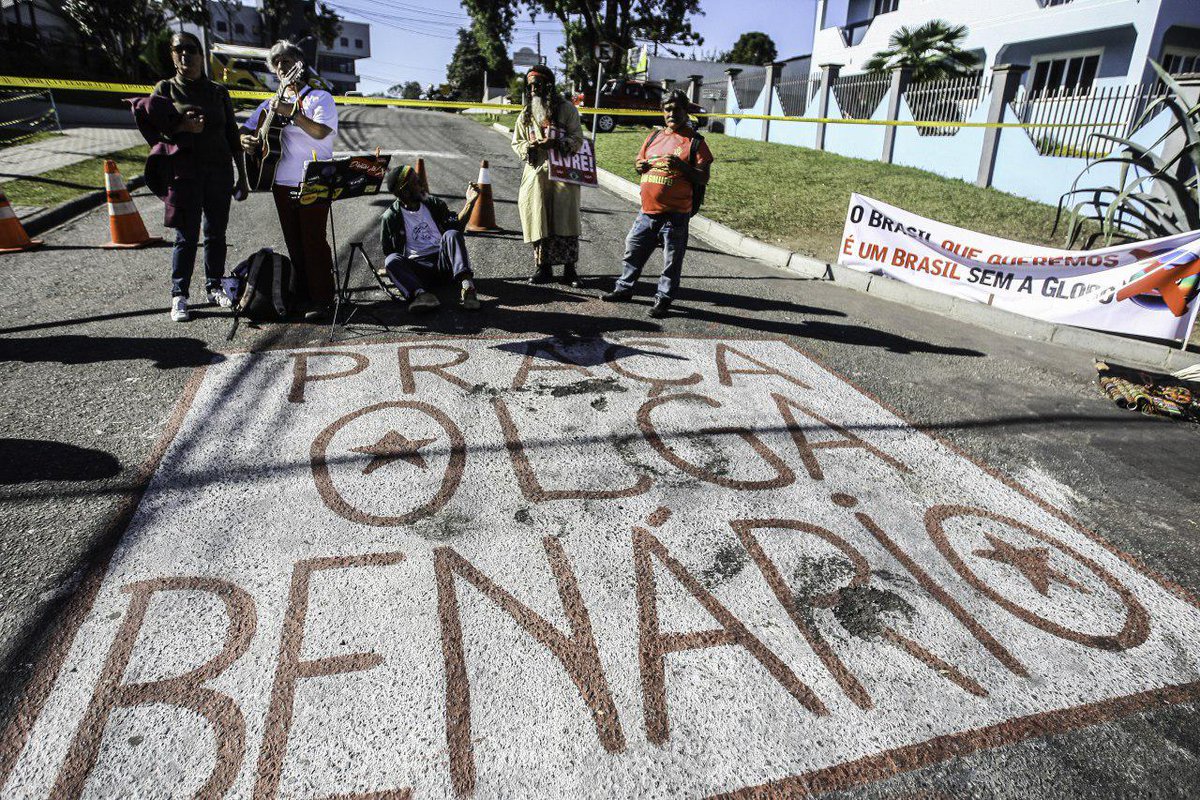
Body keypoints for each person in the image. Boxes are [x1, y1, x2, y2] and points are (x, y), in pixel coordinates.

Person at [150, 31, 249, 322]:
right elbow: (153, 131)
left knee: (216, 234)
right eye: (178, 50)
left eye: (191, 49)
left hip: (219, 172)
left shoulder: (218, 91)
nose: (185, 55)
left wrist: (243, 178)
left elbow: (232, 134)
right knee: (186, 236)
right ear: (172, 55)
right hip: (185, 174)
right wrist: (182, 127)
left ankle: (214, 286)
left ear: (201, 55)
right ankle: (179, 294)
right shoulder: (165, 89)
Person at [240, 40, 338, 321]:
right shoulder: (268, 104)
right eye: (277, 62)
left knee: (313, 240)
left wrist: (292, 113)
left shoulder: (319, 98)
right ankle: (303, 296)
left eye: (287, 60)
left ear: (299, 64)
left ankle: (322, 299)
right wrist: (245, 139)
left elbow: (321, 132)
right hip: (280, 180)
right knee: (294, 242)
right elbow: (246, 129)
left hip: (314, 178)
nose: (281, 65)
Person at [602, 89, 712, 318]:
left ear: (686, 111)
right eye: (667, 109)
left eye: (676, 108)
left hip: (675, 215)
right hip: (647, 212)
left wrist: (682, 167)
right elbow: (639, 161)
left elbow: (703, 177)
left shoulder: (695, 142)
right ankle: (624, 288)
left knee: (671, 263)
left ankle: (663, 299)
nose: (671, 113)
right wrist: (639, 166)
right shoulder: (654, 137)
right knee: (632, 250)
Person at [511, 65, 584, 286]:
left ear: (549, 85)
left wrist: (557, 143)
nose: (533, 89)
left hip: (564, 174)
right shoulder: (526, 113)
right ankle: (542, 269)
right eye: (530, 85)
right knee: (539, 219)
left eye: (537, 84)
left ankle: (570, 271)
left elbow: (577, 138)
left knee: (566, 221)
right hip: (537, 175)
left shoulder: (567, 109)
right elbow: (517, 141)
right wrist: (529, 147)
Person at [380, 165, 481, 313]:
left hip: (444, 264)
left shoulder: (433, 204)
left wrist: (470, 202)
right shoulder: (391, 217)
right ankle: (422, 296)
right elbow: (389, 251)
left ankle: (468, 288)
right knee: (391, 260)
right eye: (416, 182)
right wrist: (394, 269)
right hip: (419, 271)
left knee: (451, 234)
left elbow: (456, 226)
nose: (421, 184)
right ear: (405, 191)